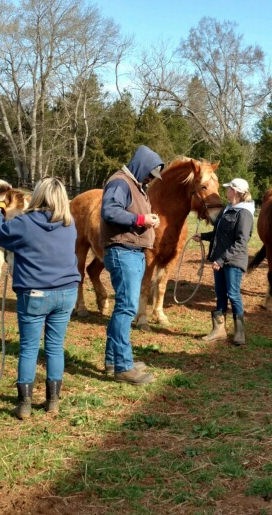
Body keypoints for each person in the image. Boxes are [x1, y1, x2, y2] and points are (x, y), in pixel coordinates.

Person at [0, 177, 81, 420]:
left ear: (38, 195)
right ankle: (53, 402)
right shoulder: (69, 224)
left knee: (28, 349)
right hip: (67, 292)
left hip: (35, 294)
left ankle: (25, 405)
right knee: (54, 347)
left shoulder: (25, 223)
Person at [100, 145, 164, 385]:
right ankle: (123, 367)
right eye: (149, 174)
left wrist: (147, 221)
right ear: (140, 166)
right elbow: (109, 211)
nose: (149, 179)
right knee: (127, 308)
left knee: (123, 308)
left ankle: (112, 360)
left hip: (132, 251)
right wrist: (141, 219)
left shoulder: (135, 186)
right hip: (123, 252)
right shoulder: (121, 183)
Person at [194, 178, 255, 346]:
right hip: (220, 260)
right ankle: (219, 331)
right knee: (220, 294)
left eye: (228, 189)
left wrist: (221, 260)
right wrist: (203, 237)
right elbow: (218, 234)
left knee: (233, 295)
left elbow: (241, 241)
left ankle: (239, 333)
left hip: (233, 261)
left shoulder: (244, 213)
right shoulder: (227, 209)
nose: (226, 191)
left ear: (235, 192)